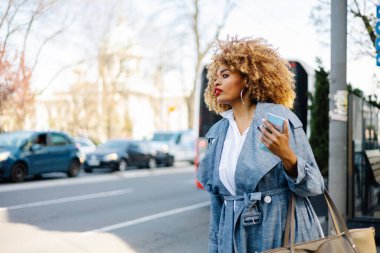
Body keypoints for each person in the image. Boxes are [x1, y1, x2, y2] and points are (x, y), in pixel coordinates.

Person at [196, 37, 325, 253]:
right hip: (234, 239)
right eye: (215, 77)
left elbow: (314, 186)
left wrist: (288, 157)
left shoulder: (278, 119)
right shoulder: (218, 133)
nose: (216, 82)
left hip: (280, 234)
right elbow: (218, 203)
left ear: (247, 79)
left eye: (225, 75)